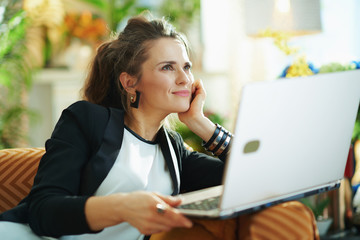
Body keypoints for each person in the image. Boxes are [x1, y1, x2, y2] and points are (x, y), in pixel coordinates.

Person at [0, 15, 319, 240]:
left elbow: (262, 176)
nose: (184, 78)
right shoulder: (87, 120)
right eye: (168, 67)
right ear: (130, 82)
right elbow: (44, 212)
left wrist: (202, 125)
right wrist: (124, 207)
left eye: (186, 67)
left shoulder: (174, 152)